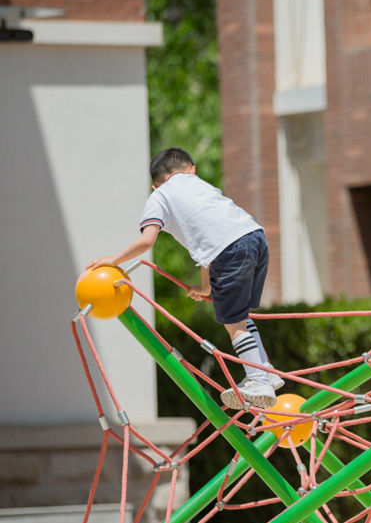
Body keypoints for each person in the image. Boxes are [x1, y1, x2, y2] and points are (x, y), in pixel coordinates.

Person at [87, 148, 281, 410]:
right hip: (255, 238)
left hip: (230, 250)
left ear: (155, 184)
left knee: (233, 321)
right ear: (192, 169)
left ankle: (258, 380)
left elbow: (147, 240)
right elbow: (207, 243)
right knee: (240, 315)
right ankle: (265, 370)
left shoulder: (159, 196)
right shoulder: (200, 185)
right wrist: (204, 287)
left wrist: (114, 260)